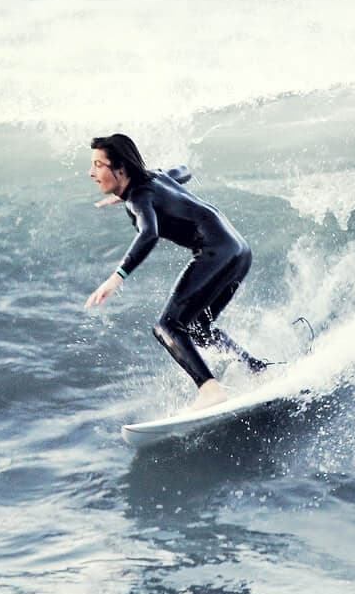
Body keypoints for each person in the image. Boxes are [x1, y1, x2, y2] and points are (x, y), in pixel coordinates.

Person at [83, 133, 269, 409]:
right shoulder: (155, 178)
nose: (91, 173)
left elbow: (149, 234)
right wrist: (128, 194)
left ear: (120, 169)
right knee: (198, 328)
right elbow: (184, 170)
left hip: (216, 252)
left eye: (99, 165)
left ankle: (209, 389)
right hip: (239, 250)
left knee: (167, 327)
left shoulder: (138, 197)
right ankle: (256, 370)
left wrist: (116, 277)